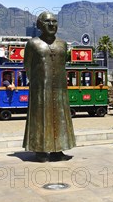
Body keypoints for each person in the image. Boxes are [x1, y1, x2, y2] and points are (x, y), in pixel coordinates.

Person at [23, 12, 75, 162]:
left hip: (59, 88)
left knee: (60, 117)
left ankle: (58, 149)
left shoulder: (63, 44)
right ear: (39, 25)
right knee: (40, 117)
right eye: (47, 21)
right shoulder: (33, 44)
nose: (52, 24)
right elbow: (27, 65)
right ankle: (40, 149)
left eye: (54, 21)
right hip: (40, 88)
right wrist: (36, 83)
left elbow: (63, 64)